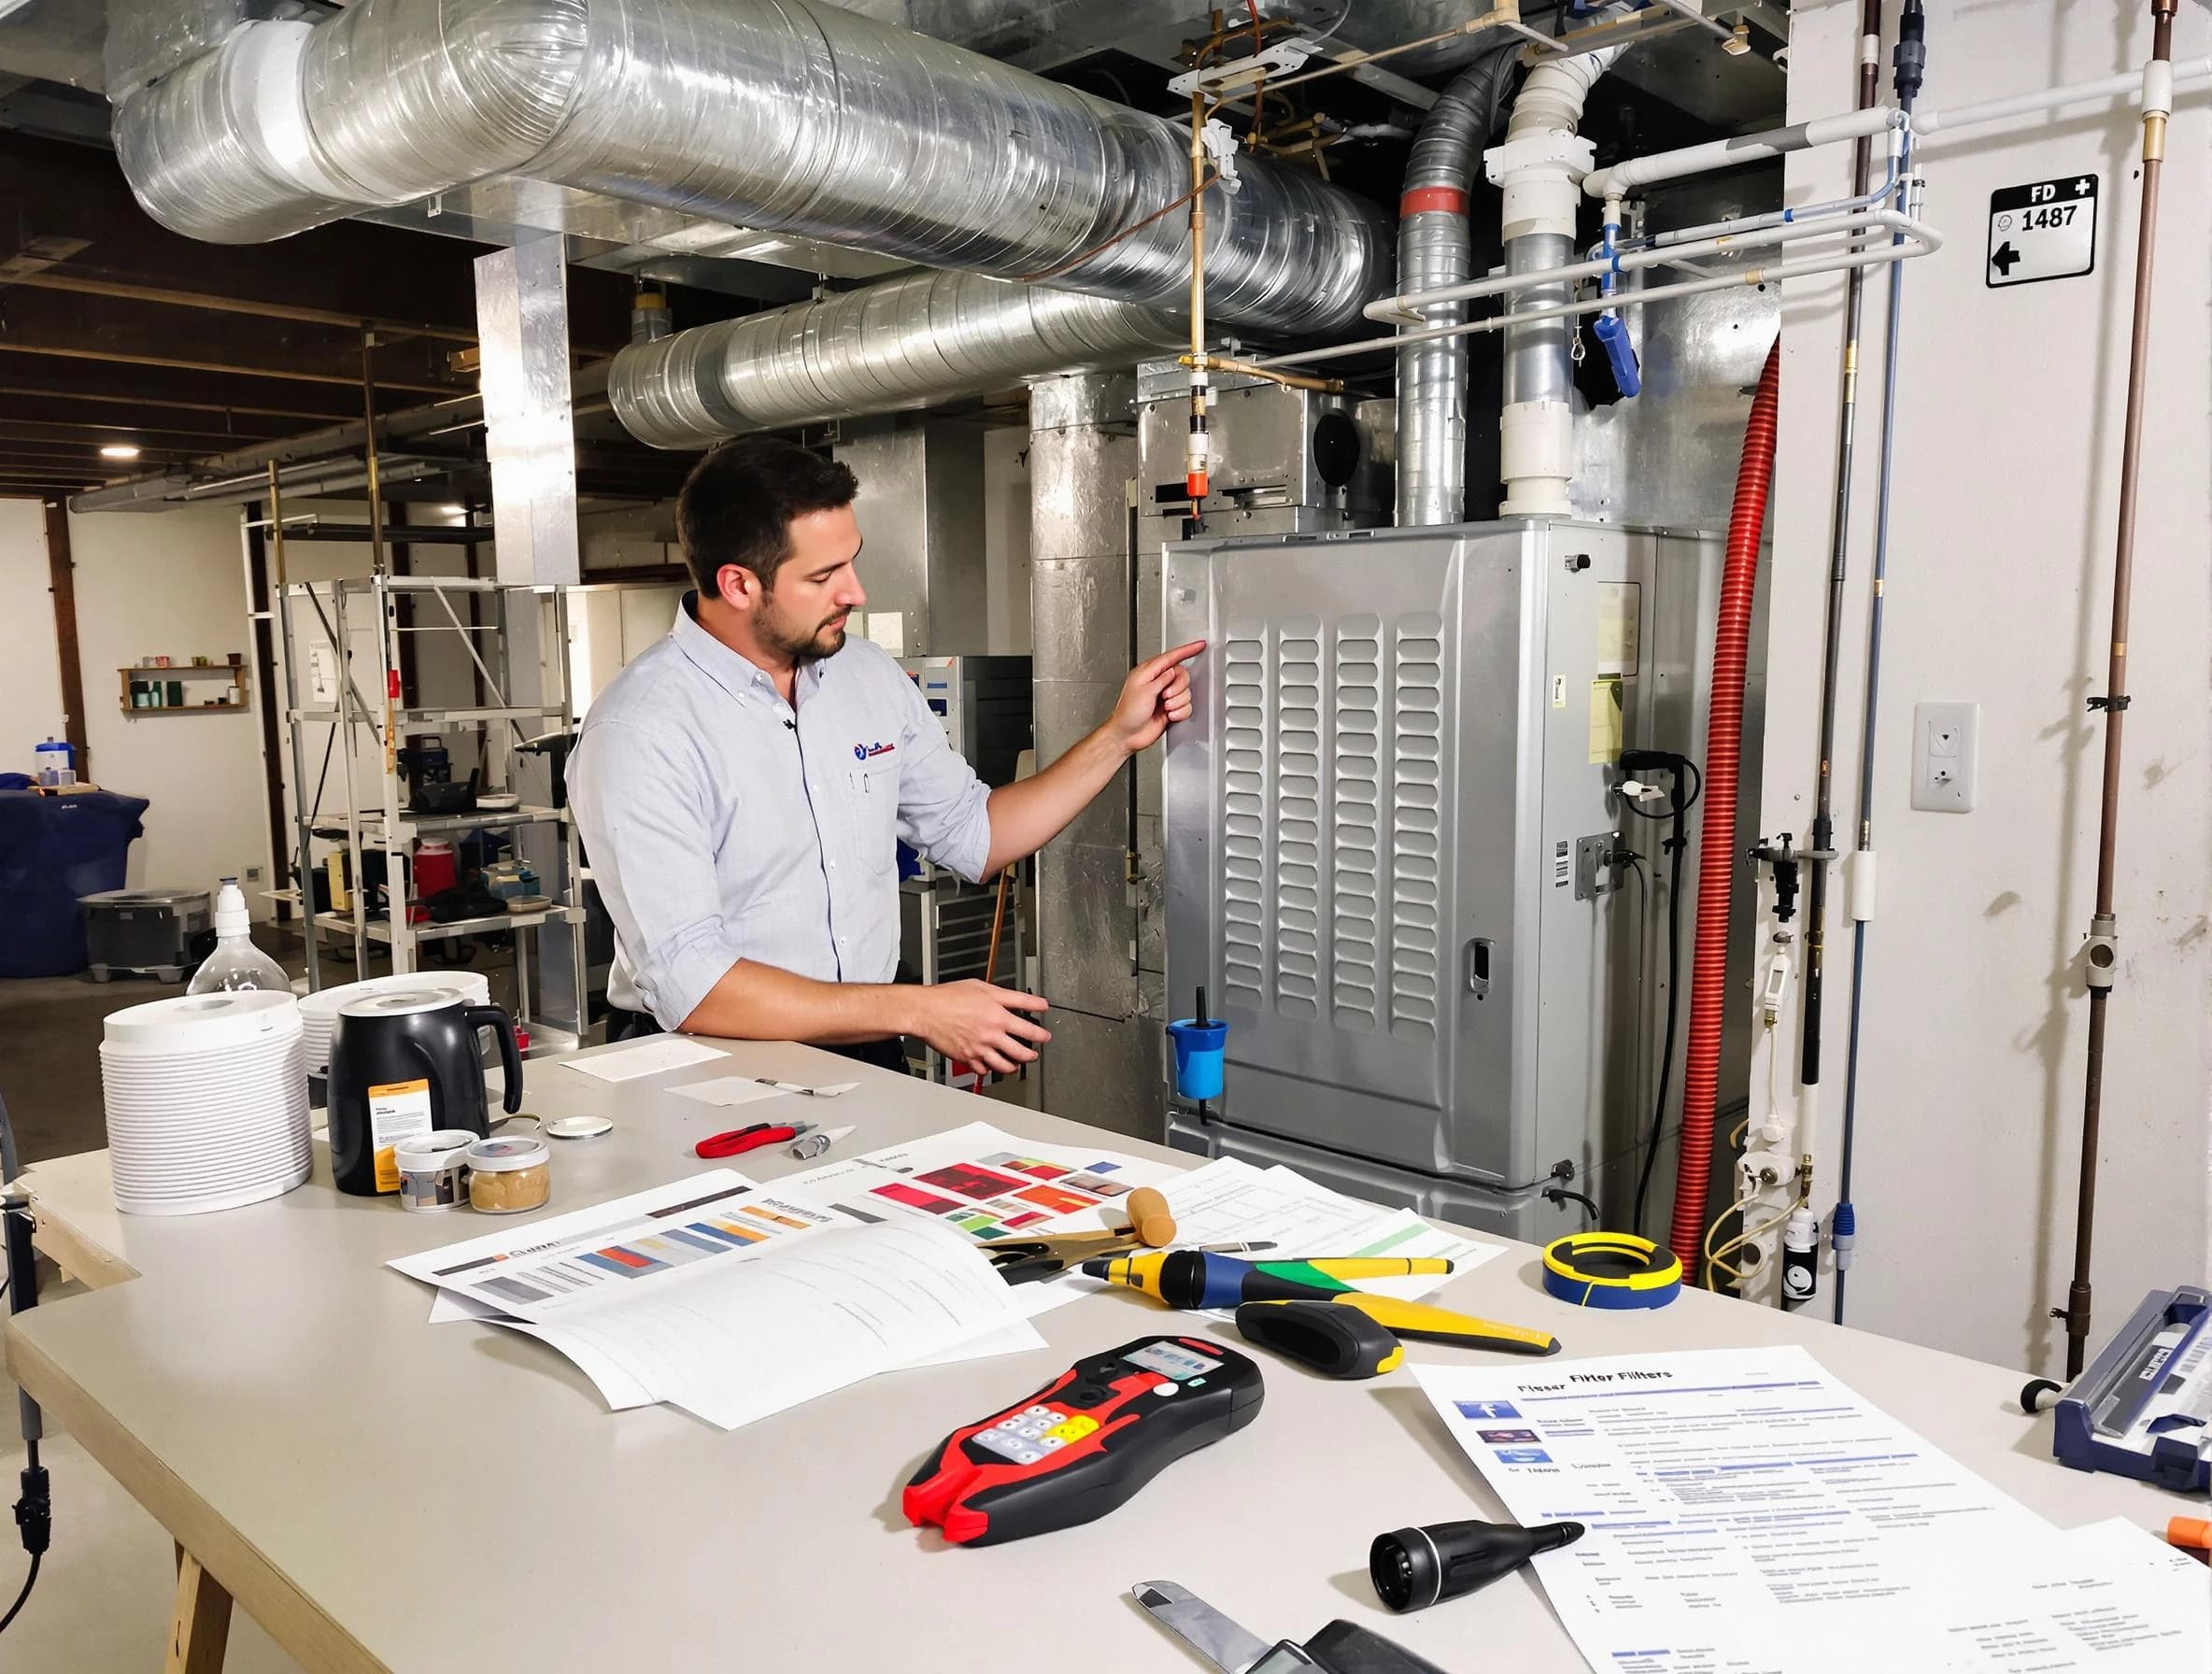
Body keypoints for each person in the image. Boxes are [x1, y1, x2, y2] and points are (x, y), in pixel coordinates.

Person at [567, 436, 1201, 1076]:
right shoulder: (640, 730)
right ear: (738, 584)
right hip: (708, 1066)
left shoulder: (866, 676)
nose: (856, 592)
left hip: (867, 1049)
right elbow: (694, 983)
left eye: (852, 562)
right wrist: (919, 1010)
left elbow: (975, 834)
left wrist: (1117, 738)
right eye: (823, 576)